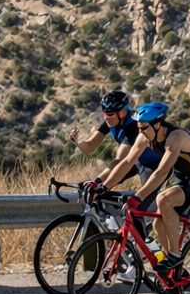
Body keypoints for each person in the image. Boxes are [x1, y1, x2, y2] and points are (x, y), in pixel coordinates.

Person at [100, 102, 190, 276]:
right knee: (158, 222)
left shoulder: (176, 137)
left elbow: (161, 171)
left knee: (164, 200)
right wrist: (103, 186)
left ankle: (175, 256)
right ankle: (171, 270)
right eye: (138, 127)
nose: (140, 131)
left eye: (143, 127)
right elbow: (126, 162)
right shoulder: (146, 136)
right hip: (183, 179)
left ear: (157, 124)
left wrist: (137, 197)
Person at [68, 90, 162, 219]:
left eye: (110, 114)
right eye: (104, 113)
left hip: (151, 165)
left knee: (138, 206)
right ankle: (116, 225)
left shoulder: (132, 127)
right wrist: (76, 141)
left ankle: (143, 236)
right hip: (135, 162)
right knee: (100, 192)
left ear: (122, 113)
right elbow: (90, 146)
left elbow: (119, 161)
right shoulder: (111, 121)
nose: (106, 117)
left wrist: (96, 182)